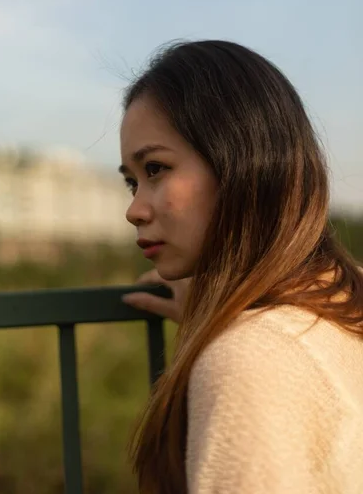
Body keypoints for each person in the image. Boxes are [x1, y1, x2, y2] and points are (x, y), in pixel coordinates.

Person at [118, 40, 363, 494]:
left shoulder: (248, 362)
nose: (133, 209)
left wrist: (228, 335)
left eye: (155, 169)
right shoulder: (339, 301)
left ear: (241, 162)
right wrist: (212, 312)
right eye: (132, 181)